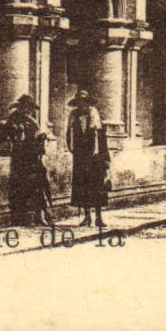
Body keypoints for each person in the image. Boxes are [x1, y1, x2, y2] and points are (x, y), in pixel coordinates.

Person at [0, 94, 52, 226]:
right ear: (20, 107)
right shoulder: (14, 119)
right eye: (26, 107)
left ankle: (40, 215)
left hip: (34, 157)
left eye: (29, 108)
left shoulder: (32, 120)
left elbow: (37, 135)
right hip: (21, 158)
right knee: (23, 188)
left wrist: (41, 137)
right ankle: (25, 218)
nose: (28, 110)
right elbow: (8, 136)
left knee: (40, 186)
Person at [67, 89, 110, 227]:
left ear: (88, 103)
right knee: (82, 186)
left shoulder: (95, 117)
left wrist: (102, 158)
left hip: (95, 158)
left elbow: (101, 140)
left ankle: (98, 217)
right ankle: (87, 217)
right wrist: (73, 150)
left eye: (84, 102)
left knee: (96, 186)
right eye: (79, 102)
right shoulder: (74, 117)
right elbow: (69, 136)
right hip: (80, 157)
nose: (81, 105)